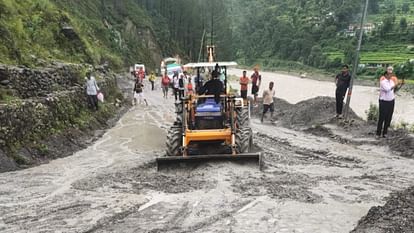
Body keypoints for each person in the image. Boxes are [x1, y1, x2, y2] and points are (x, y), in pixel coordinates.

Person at [376, 66, 403, 138]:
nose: (391, 75)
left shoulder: (392, 81)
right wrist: (395, 85)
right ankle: (378, 133)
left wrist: (399, 84)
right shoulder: (382, 81)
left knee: (388, 117)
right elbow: (388, 89)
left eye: (391, 73)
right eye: (389, 74)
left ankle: (385, 133)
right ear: (386, 75)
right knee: (382, 117)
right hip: (384, 101)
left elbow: (394, 89)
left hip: (391, 101)